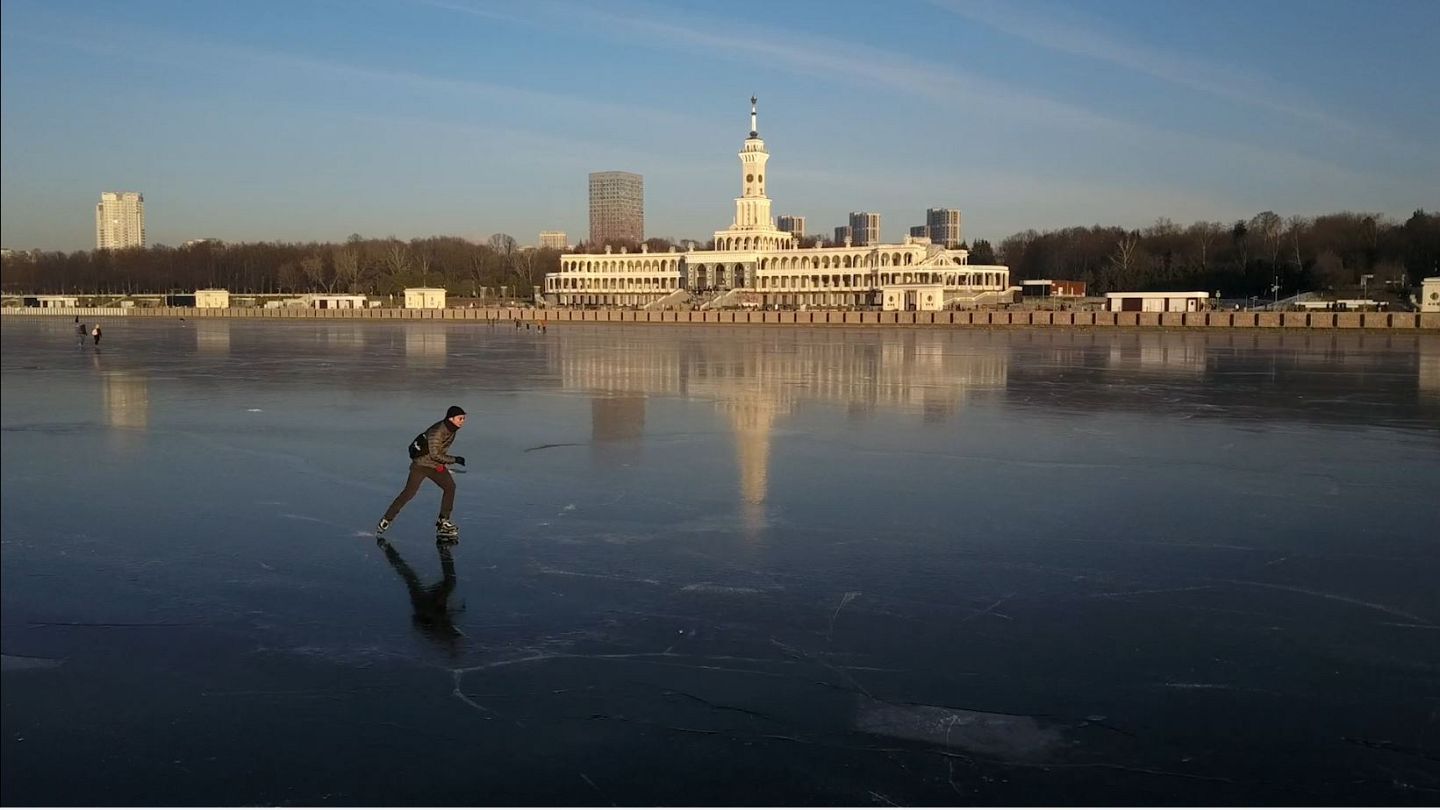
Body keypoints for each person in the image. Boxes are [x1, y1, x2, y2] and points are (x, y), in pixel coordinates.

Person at [378, 405, 467, 540]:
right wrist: (454, 459)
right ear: (451, 418)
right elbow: (435, 454)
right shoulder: (437, 431)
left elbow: (440, 453)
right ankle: (386, 519)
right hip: (420, 466)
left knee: (450, 487)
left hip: (435, 466)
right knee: (409, 493)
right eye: (460, 418)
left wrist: (442, 465)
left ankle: (443, 521)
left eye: (463, 418)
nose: (462, 421)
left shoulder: (452, 430)